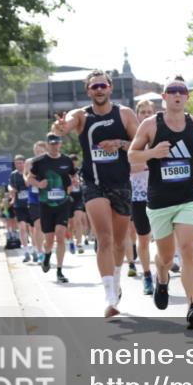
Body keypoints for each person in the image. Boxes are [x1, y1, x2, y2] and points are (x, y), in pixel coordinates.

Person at [52, 69, 140, 318]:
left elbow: (139, 143)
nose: (99, 90)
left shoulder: (124, 114)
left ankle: (117, 279)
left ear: (110, 88)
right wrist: (59, 127)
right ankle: (109, 295)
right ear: (88, 91)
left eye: (102, 85)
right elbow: (63, 126)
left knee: (121, 243)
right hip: (93, 182)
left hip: (121, 183)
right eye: (94, 87)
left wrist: (119, 144)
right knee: (105, 238)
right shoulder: (81, 115)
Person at [129, 75, 193, 329]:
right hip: (159, 201)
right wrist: (153, 153)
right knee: (165, 257)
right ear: (164, 97)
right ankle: (162, 277)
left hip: (187, 197)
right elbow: (132, 156)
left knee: (188, 249)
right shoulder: (150, 124)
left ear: (187, 96)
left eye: (182, 90)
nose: (177, 94)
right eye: (172, 91)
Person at [28, 133, 76, 283]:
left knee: (60, 236)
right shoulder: (39, 162)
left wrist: (72, 184)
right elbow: (30, 178)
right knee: (49, 240)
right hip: (46, 205)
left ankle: (60, 271)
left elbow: (74, 176)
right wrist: (38, 184)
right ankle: (47, 256)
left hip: (62, 204)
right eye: (52, 143)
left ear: (60, 144)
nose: (55, 146)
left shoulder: (67, 160)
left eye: (57, 143)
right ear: (47, 145)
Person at [130, 100, 156, 296]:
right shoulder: (132, 139)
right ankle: (147, 275)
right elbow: (129, 166)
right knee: (144, 238)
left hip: (161, 192)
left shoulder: (160, 134)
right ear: (137, 115)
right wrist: (151, 158)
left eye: (150, 111)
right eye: (143, 112)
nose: (146, 115)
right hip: (138, 195)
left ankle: (167, 264)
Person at [7, 155, 34, 262]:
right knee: (22, 228)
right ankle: (26, 251)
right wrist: (11, 190)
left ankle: (35, 249)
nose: (19, 165)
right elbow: (9, 185)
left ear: (24, 163)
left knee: (32, 229)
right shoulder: (13, 175)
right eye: (17, 163)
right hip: (19, 205)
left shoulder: (30, 172)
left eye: (21, 163)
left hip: (31, 204)